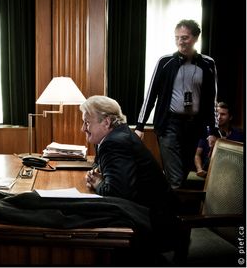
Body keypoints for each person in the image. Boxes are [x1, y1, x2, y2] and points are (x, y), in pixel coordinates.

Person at [81, 95, 179, 252]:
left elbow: (117, 193)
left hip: (154, 226)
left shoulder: (114, 142)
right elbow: (99, 164)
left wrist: (98, 183)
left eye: (87, 123)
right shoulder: (115, 136)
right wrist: (97, 173)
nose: (83, 128)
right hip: (152, 214)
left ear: (106, 122)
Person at [135, 19, 218, 189]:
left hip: (195, 126)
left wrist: (213, 130)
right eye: (177, 38)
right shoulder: (165, 62)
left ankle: (168, 208)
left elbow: (212, 100)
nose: (180, 41)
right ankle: (174, 215)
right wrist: (140, 126)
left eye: (185, 37)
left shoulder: (208, 64)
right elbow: (150, 95)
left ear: (195, 38)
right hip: (169, 124)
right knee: (175, 178)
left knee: (184, 172)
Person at [194, 102, 244, 177]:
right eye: (217, 114)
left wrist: (219, 142)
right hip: (208, 173)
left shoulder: (239, 135)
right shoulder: (208, 132)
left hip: (229, 173)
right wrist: (199, 169)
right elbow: (197, 155)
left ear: (230, 117)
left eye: (223, 114)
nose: (219, 117)